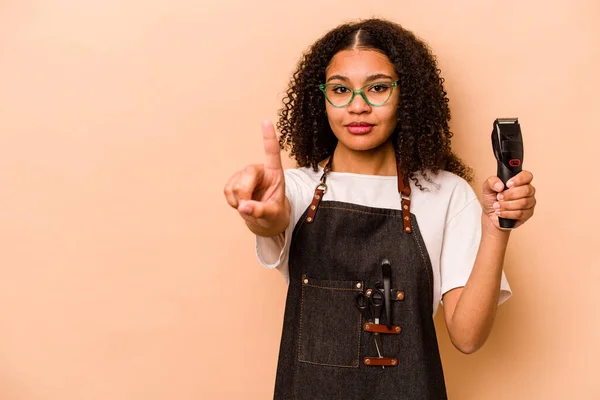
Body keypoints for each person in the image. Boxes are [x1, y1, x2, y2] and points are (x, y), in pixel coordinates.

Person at [223, 18, 536, 399]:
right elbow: (274, 217)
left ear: (407, 95)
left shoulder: (447, 195)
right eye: (340, 90)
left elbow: (468, 337)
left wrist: (495, 228)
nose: (358, 106)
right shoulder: (294, 190)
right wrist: (265, 218)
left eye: (378, 88)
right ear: (320, 99)